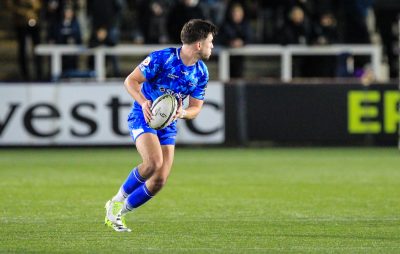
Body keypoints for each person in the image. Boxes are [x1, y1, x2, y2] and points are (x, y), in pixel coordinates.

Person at [104, 19, 218, 232]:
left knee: (159, 180)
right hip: (144, 115)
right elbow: (131, 81)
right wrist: (143, 102)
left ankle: (118, 212)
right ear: (199, 45)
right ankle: (117, 200)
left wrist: (182, 112)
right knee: (153, 162)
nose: (213, 46)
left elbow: (196, 109)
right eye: (210, 41)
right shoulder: (162, 58)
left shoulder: (201, 72)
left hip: (168, 123)